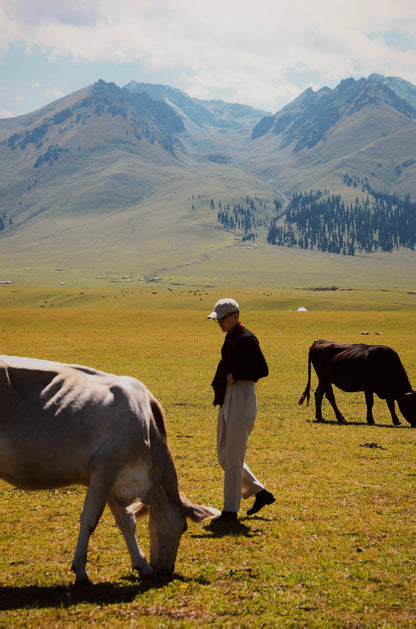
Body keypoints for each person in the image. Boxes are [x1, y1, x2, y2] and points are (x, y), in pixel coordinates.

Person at [207, 297, 275, 524]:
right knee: (225, 456)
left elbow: (262, 369)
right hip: (228, 397)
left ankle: (229, 511)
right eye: (218, 320)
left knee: (233, 458)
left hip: (242, 397)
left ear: (235, 316)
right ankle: (260, 493)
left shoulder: (247, 339)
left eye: (222, 319)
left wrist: (235, 375)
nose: (220, 323)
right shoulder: (232, 336)